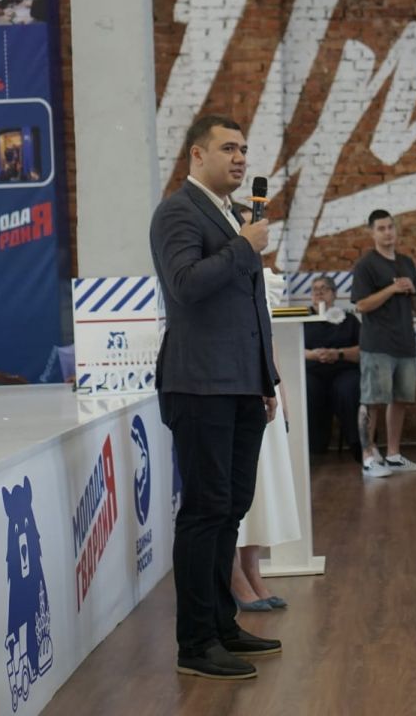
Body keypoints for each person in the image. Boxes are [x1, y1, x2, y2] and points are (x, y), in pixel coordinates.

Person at [149, 114, 280, 679]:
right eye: (228, 148)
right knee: (204, 512)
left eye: (243, 148)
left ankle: (223, 626)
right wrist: (244, 248)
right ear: (196, 156)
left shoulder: (233, 214)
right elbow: (185, 285)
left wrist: (265, 379)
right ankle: (196, 643)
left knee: (230, 508)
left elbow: (251, 309)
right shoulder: (177, 212)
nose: (240, 158)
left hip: (240, 385)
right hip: (199, 384)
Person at [233, 243, 300, 613]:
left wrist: (279, 389)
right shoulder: (219, 272)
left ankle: (252, 569)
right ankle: (232, 575)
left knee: (259, 486)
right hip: (233, 385)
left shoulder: (261, 278)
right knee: (233, 488)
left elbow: (267, 340)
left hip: (263, 385)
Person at [351, 209, 416, 478]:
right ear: (372, 233)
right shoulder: (366, 265)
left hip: (405, 342)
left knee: (400, 400)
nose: (387, 233)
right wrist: (392, 289)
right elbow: (361, 304)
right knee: (372, 400)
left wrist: (412, 291)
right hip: (377, 344)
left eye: (390, 227)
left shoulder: (406, 262)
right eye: (381, 228)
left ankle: (393, 455)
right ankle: (368, 457)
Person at [303, 276, 361, 457]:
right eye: (315, 289)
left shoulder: (349, 320)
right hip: (312, 371)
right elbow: (289, 349)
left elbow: (364, 350)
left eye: (324, 288)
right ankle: (313, 447)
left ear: (334, 294)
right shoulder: (301, 319)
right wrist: (312, 355)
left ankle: (359, 445)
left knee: (348, 388)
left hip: (343, 370)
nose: (319, 292)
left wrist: (338, 353)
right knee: (307, 389)